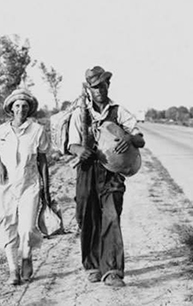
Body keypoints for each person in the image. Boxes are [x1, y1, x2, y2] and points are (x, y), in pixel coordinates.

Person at [68, 66, 145, 288]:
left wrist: (129, 138)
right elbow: (71, 144)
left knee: (111, 216)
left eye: (102, 85)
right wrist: (78, 150)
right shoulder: (79, 113)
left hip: (112, 173)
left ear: (108, 86)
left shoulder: (119, 112)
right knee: (87, 216)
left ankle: (112, 270)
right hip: (87, 171)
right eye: (94, 87)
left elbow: (140, 139)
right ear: (88, 90)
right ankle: (92, 265)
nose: (99, 90)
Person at [0, 89, 51, 285]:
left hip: (29, 185)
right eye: (17, 106)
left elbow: (43, 160)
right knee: (8, 226)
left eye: (24, 106)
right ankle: (13, 270)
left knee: (28, 228)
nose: (21, 109)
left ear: (29, 109)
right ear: (11, 109)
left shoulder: (37, 130)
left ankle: (27, 255)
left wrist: (47, 189)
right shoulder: (2, 132)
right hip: (5, 186)